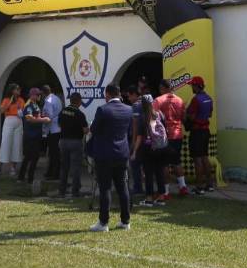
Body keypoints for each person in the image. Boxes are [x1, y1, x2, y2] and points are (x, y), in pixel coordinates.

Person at [88, 84, 132, 232]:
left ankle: (103, 222)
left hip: (105, 154)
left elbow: (94, 129)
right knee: (122, 187)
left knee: (105, 188)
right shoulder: (128, 109)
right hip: (122, 153)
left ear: (107, 94)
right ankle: (125, 221)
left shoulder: (103, 109)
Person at [154, 79, 189, 196]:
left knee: (164, 164)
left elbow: (153, 118)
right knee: (176, 161)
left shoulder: (158, 100)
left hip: (164, 136)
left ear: (163, 88)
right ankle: (183, 187)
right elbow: (184, 118)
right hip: (177, 135)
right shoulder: (180, 100)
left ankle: (165, 191)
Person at [135, 94, 168, 206]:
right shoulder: (159, 114)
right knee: (159, 172)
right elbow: (165, 128)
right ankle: (161, 198)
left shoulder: (142, 117)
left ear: (142, 104)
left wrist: (134, 151)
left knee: (148, 173)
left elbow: (139, 137)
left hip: (148, 148)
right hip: (160, 147)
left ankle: (149, 198)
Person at [184, 76, 215, 193]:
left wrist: (185, 113)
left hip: (196, 132)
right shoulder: (209, 98)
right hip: (206, 131)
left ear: (197, 86)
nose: (191, 87)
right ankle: (209, 184)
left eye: (192, 85)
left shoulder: (196, 100)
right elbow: (210, 114)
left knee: (197, 160)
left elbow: (192, 117)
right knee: (204, 157)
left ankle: (199, 187)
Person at [57, 92, 88, 199]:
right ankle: (75, 192)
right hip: (75, 142)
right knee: (76, 168)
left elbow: (59, 124)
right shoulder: (79, 114)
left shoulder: (63, 111)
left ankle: (62, 191)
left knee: (64, 167)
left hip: (63, 141)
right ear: (79, 101)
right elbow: (85, 130)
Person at [18, 87, 49, 187]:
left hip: (36, 135)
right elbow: (29, 119)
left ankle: (26, 178)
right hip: (30, 135)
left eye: (39, 94)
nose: (39, 96)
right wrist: (43, 120)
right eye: (37, 94)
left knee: (33, 157)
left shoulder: (35, 105)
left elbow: (36, 116)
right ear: (32, 95)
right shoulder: (28, 105)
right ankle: (25, 178)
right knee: (30, 157)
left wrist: (42, 117)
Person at [0, 83, 24, 177]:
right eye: (17, 89)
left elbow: (22, 114)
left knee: (17, 144)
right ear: (12, 90)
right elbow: (1, 111)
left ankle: (13, 167)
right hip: (9, 121)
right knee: (5, 143)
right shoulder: (6, 100)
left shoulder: (21, 100)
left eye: (19, 89)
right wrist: (9, 104)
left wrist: (19, 109)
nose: (19, 90)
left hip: (18, 122)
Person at [41, 84, 63, 180]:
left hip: (52, 129)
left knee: (54, 153)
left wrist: (40, 118)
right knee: (54, 152)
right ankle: (51, 172)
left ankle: (55, 174)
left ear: (43, 93)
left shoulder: (48, 101)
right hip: (57, 128)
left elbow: (48, 117)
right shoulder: (56, 98)